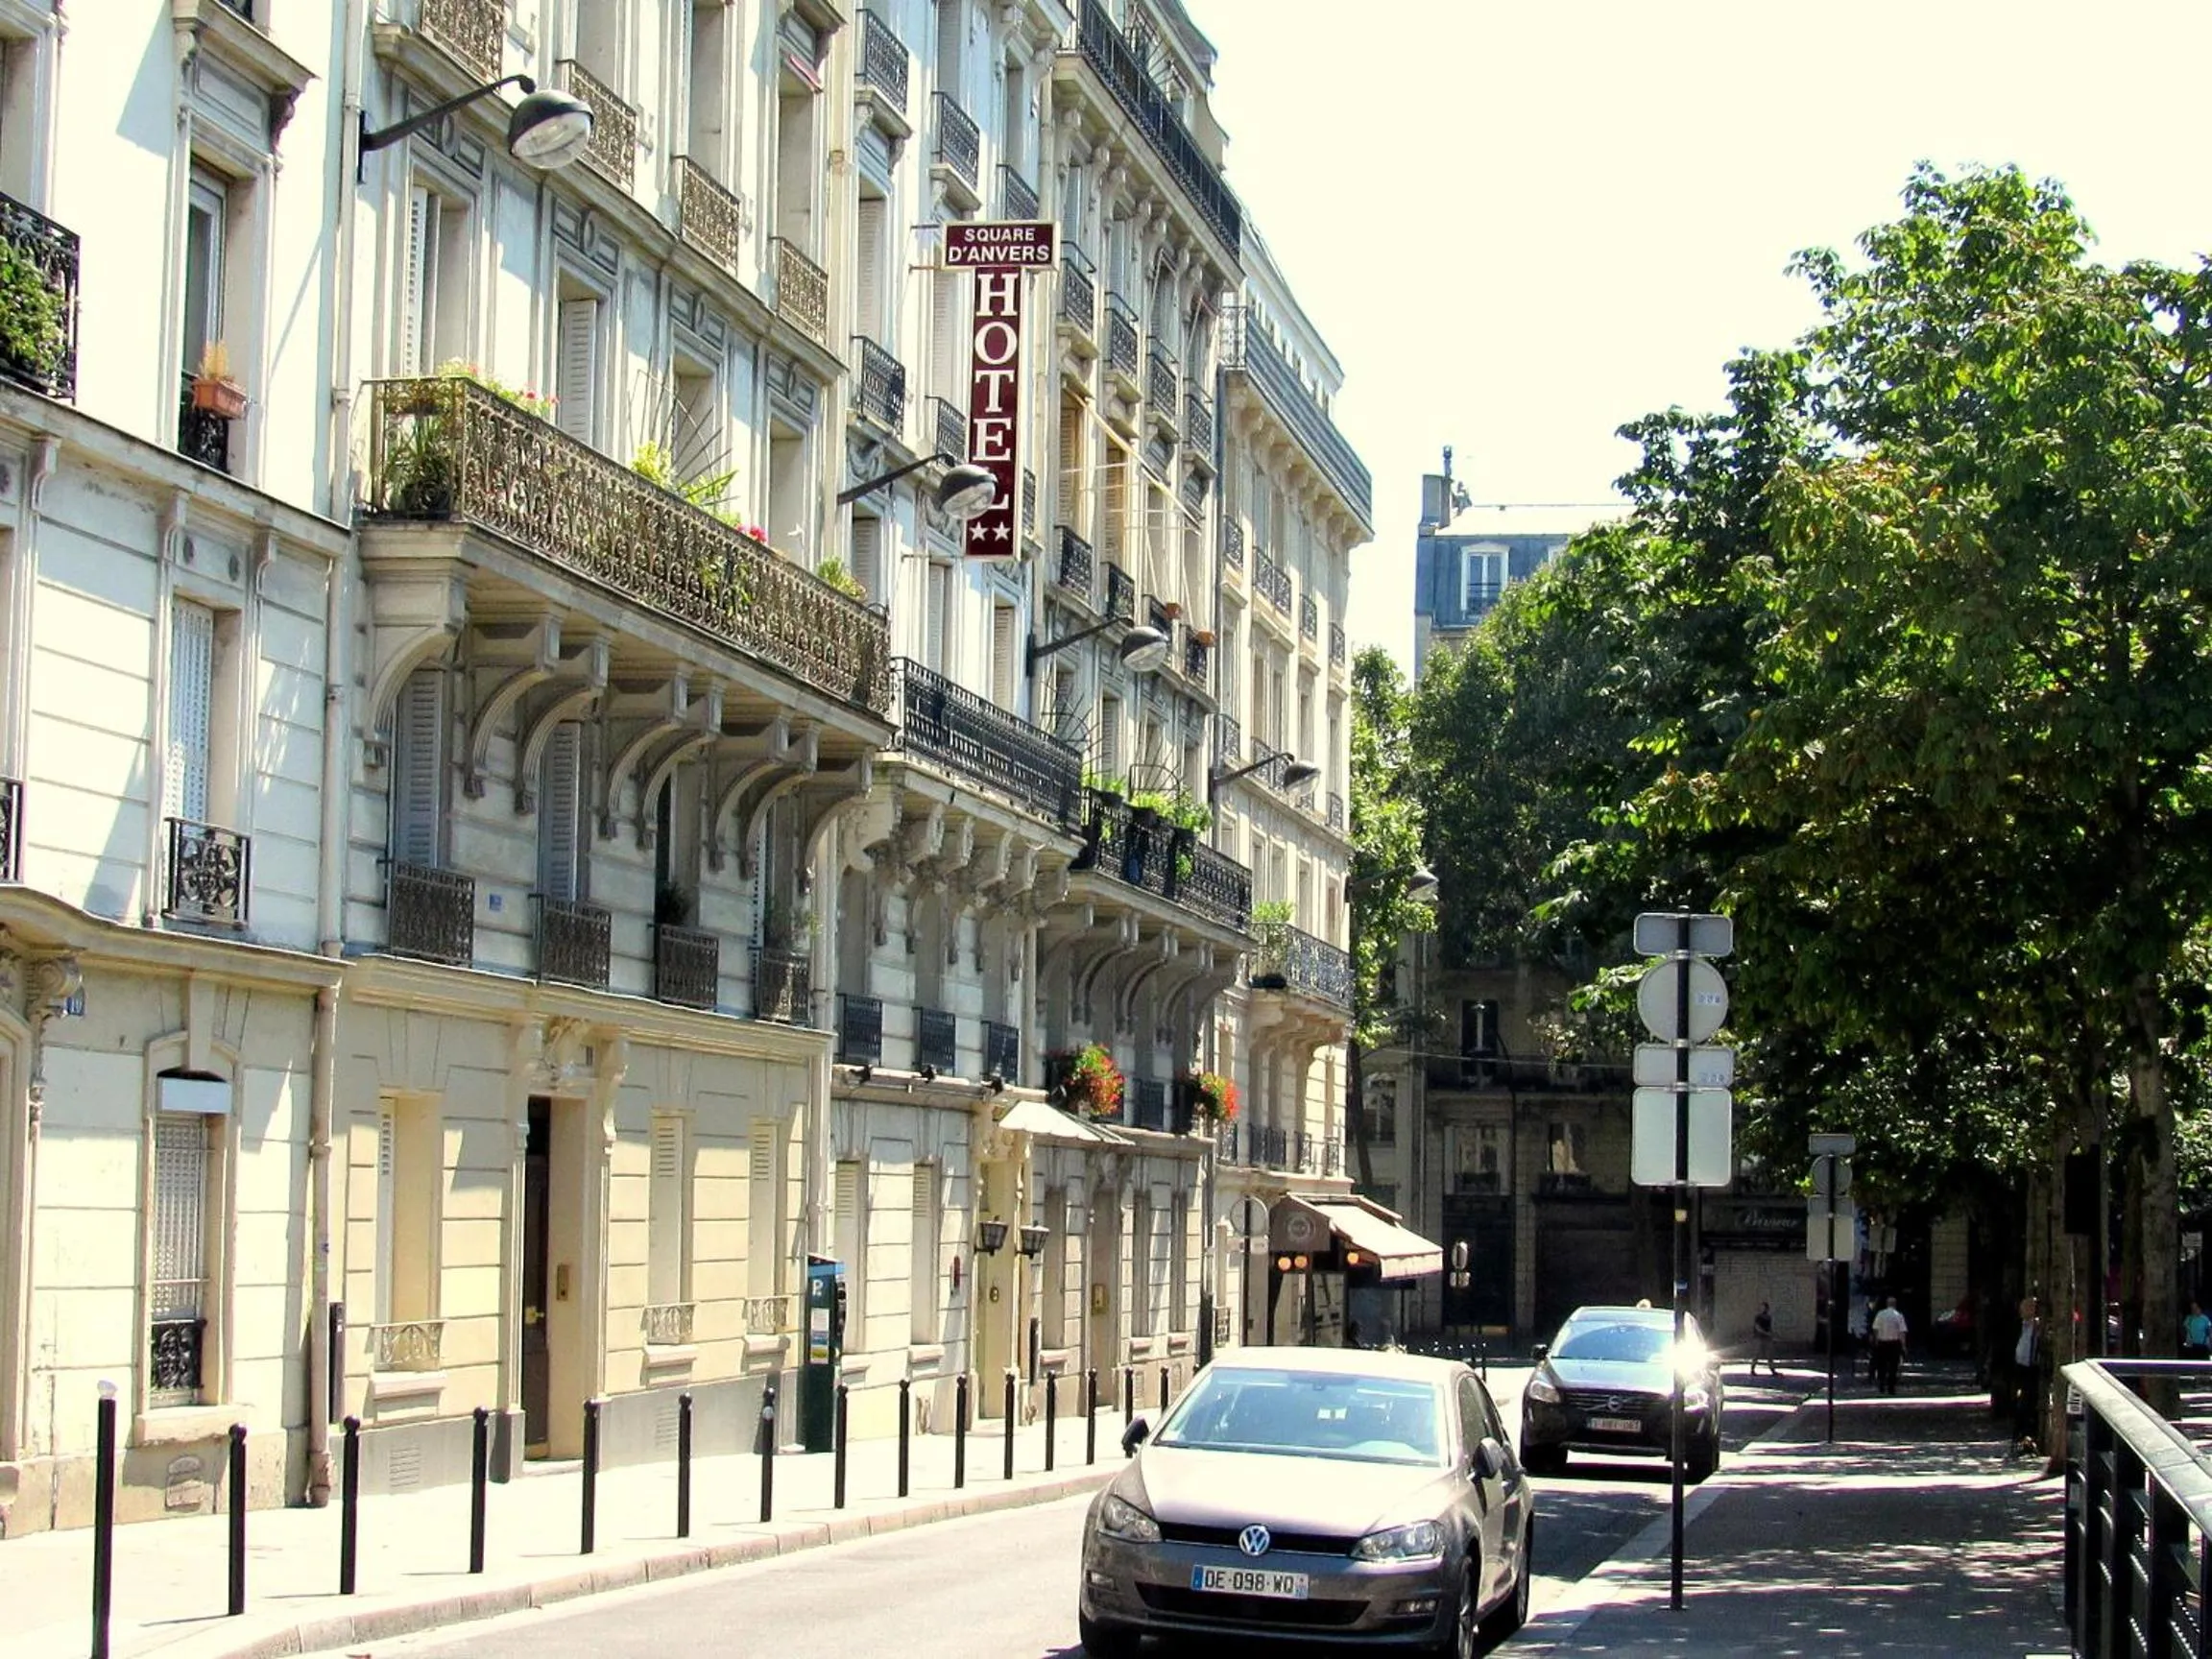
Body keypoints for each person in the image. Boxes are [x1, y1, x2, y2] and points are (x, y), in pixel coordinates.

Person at [2011, 1295, 2043, 1449]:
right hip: (2021, 1368)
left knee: (2027, 1402)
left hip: (2031, 1368)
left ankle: (2026, 1434)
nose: (2021, 1311)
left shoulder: (2037, 1326)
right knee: (2021, 1401)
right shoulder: (2023, 1325)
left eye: (2025, 1308)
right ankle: (2021, 1434)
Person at [1870, 1296, 1908, 1394]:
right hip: (1894, 1343)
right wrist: (1903, 1345)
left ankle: (1881, 1385)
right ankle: (1891, 1387)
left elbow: (1875, 1329)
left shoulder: (1880, 1314)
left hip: (1882, 1343)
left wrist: (1876, 1341)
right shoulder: (1898, 1315)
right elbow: (1902, 1332)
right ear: (1895, 1304)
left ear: (1887, 1304)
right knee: (1893, 1366)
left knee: (1881, 1365)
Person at [1752, 1301, 1777, 1377]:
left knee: (1769, 1355)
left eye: (1764, 1307)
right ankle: (1752, 1369)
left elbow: (1769, 1327)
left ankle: (1772, 1369)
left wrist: (1771, 1334)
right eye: (1761, 1307)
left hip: (1767, 1338)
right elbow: (1757, 1327)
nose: (1763, 1309)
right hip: (1759, 1337)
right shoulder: (1758, 1317)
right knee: (1756, 1354)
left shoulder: (1768, 1317)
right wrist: (1767, 1333)